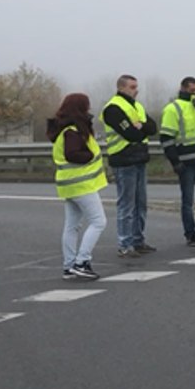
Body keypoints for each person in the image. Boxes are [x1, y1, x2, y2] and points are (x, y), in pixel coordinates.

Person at [47, 93, 108, 281]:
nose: (89, 109)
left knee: (72, 226)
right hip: (81, 184)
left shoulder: (64, 129)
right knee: (98, 221)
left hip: (69, 185)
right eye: (86, 105)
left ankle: (69, 266)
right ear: (80, 108)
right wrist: (89, 155)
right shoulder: (73, 131)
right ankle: (82, 262)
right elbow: (72, 153)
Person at [100, 74, 158, 258]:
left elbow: (153, 127)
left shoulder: (137, 106)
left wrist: (141, 126)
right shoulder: (113, 108)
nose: (136, 90)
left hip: (140, 157)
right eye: (132, 87)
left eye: (136, 86)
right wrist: (141, 128)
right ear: (121, 88)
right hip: (123, 159)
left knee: (140, 204)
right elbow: (131, 134)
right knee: (126, 205)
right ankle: (125, 244)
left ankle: (138, 240)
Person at [159, 76, 195, 247]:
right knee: (188, 201)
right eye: (192, 90)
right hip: (185, 162)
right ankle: (190, 235)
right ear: (183, 88)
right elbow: (166, 138)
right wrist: (175, 162)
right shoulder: (173, 109)